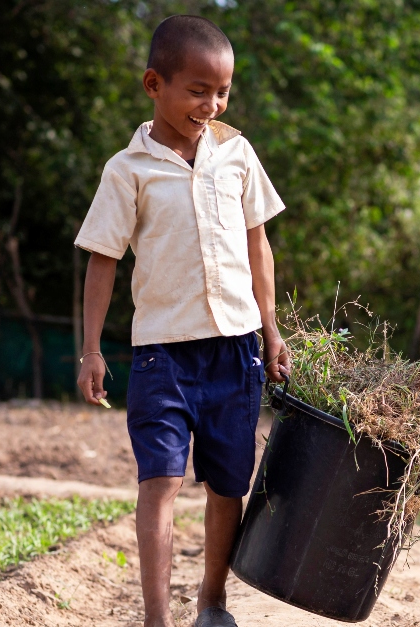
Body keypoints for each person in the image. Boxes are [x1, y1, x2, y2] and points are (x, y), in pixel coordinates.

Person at [74, 15, 289, 627]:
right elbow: (102, 260)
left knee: (228, 484)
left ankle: (212, 600)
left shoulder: (237, 155)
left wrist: (271, 331)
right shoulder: (127, 170)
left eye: (222, 91)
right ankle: (156, 619)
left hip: (236, 348)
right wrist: (91, 349)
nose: (211, 103)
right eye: (197, 90)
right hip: (161, 355)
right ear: (154, 84)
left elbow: (259, 249)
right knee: (160, 481)